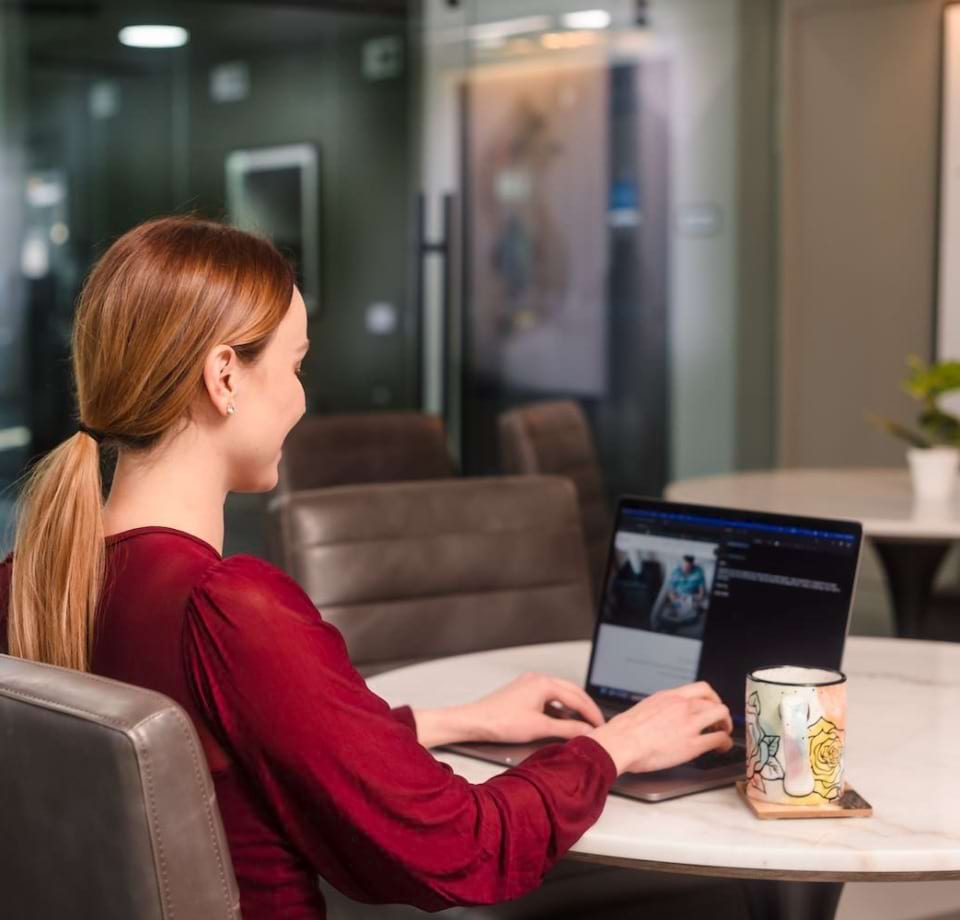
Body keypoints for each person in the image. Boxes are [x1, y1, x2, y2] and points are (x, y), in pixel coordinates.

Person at [0, 217, 733, 920]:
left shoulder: (23, 584)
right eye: (295, 364)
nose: (302, 396)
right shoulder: (226, 608)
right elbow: (461, 846)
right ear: (225, 375)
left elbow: (235, 752)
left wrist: (453, 721)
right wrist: (618, 745)